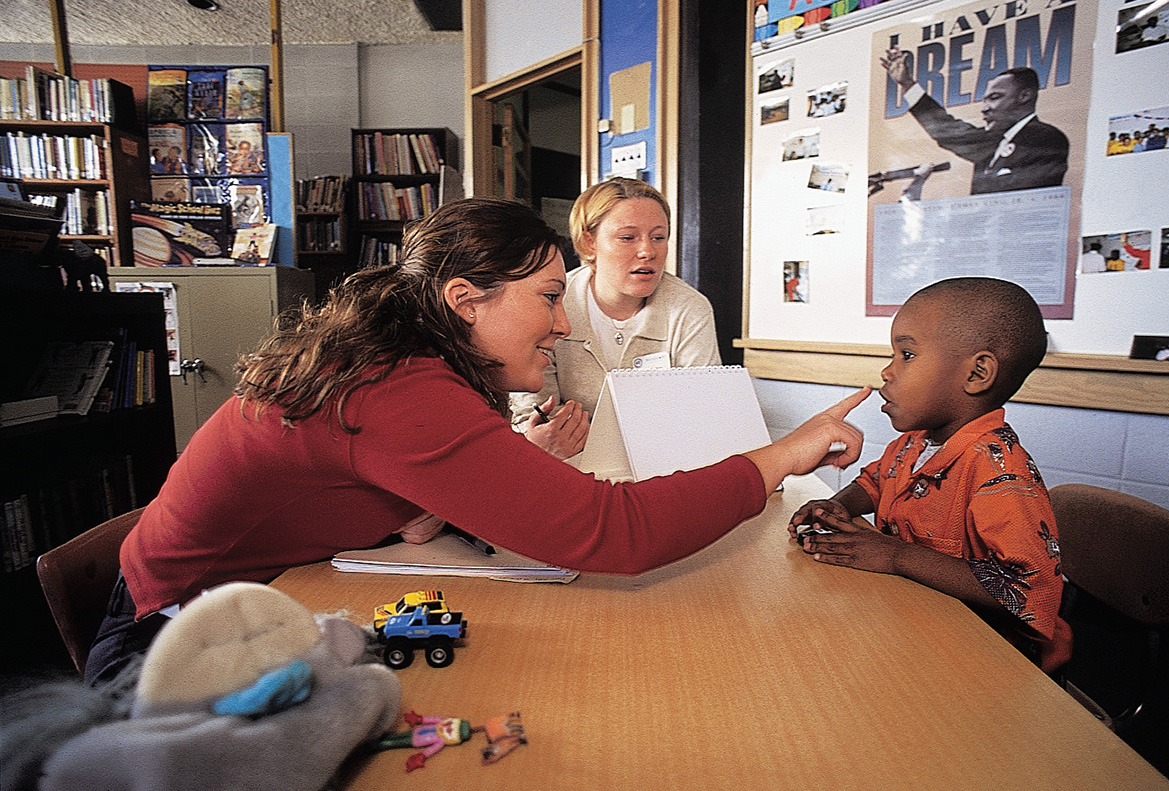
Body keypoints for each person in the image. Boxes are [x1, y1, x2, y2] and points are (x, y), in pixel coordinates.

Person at [85, 197, 870, 684]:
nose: (563, 324)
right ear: (464, 299)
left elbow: (410, 498)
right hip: (168, 644)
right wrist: (786, 451)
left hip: (248, 600)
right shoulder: (397, 386)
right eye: (549, 298)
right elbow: (615, 531)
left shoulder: (406, 360)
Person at [787, 277, 1070, 673]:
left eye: (906, 354)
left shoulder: (1000, 471)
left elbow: (1030, 588)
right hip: (914, 623)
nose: (887, 371)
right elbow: (876, 480)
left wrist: (896, 556)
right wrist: (835, 506)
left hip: (988, 657)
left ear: (976, 374)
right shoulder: (916, 442)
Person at [510, 178, 721, 459]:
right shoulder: (552, 302)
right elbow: (534, 415)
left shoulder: (690, 309)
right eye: (627, 237)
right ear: (589, 243)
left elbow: (705, 414)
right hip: (565, 464)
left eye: (658, 237)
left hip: (662, 463)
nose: (648, 251)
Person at [880, 49, 1069, 194]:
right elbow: (946, 130)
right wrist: (907, 84)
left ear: (1025, 96)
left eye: (995, 97)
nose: (985, 108)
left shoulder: (1047, 139)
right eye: (985, 100)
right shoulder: (994, 140)